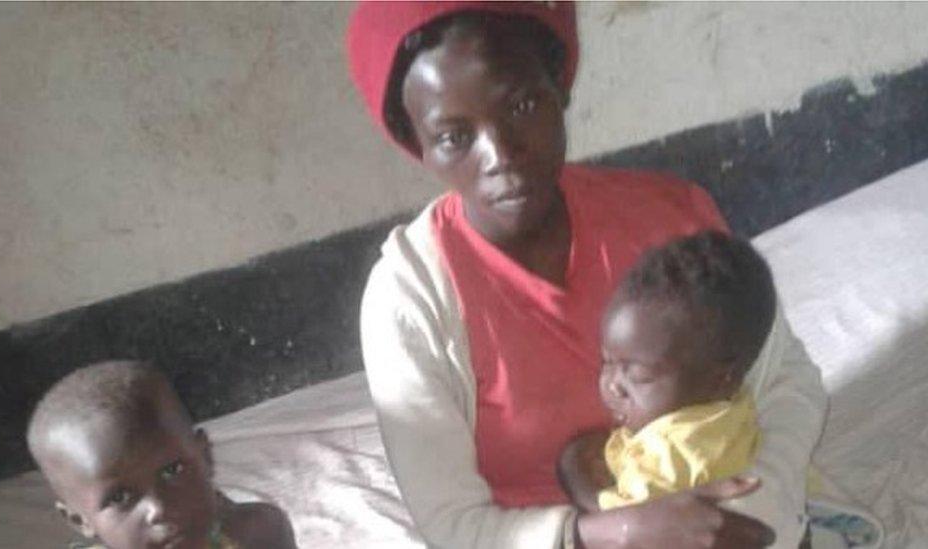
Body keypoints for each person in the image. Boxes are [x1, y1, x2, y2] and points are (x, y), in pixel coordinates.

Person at [348, 2, 827, 548]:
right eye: (454, 136)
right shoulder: (411, 296)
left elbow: (788, 383)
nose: (501, 154)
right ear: (419, 147)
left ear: (559, 89)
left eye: (523, 104)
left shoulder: (672, 221)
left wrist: (751, 507)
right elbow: (453, 526)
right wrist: (611, 533)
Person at [557, 231, 775, 513]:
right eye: (606, 362)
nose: (612, 385)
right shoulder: (722, 411)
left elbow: (623, 526)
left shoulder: (675, 456)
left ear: (720, 378)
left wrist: (574, 473)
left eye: (637, 376)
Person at [26, 360, 297, 549]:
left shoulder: (257, 534)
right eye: (119, 497)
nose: (160, 508)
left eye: (173, 470)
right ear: (80, 520)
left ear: (205, 457)